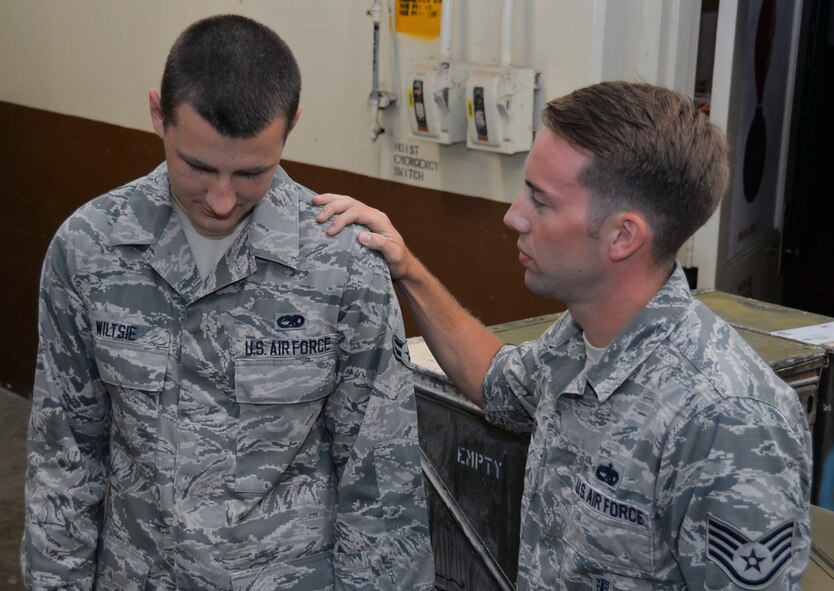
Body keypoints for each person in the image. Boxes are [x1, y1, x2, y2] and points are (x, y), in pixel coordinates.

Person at [314, 81, 812, 589]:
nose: (513, 216)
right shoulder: (580, 336)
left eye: (541, 201)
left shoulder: (727, 418)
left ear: (623, 236)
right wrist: (408, 269)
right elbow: (496, 382)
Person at [21, 14, 433, 590]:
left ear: (291, 128)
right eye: (197, 166)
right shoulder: (90, 249)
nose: (220, 199)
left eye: (250, 173)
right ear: (157, 116)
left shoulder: (342, 264)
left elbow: (380, 478)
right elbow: (65, 458)